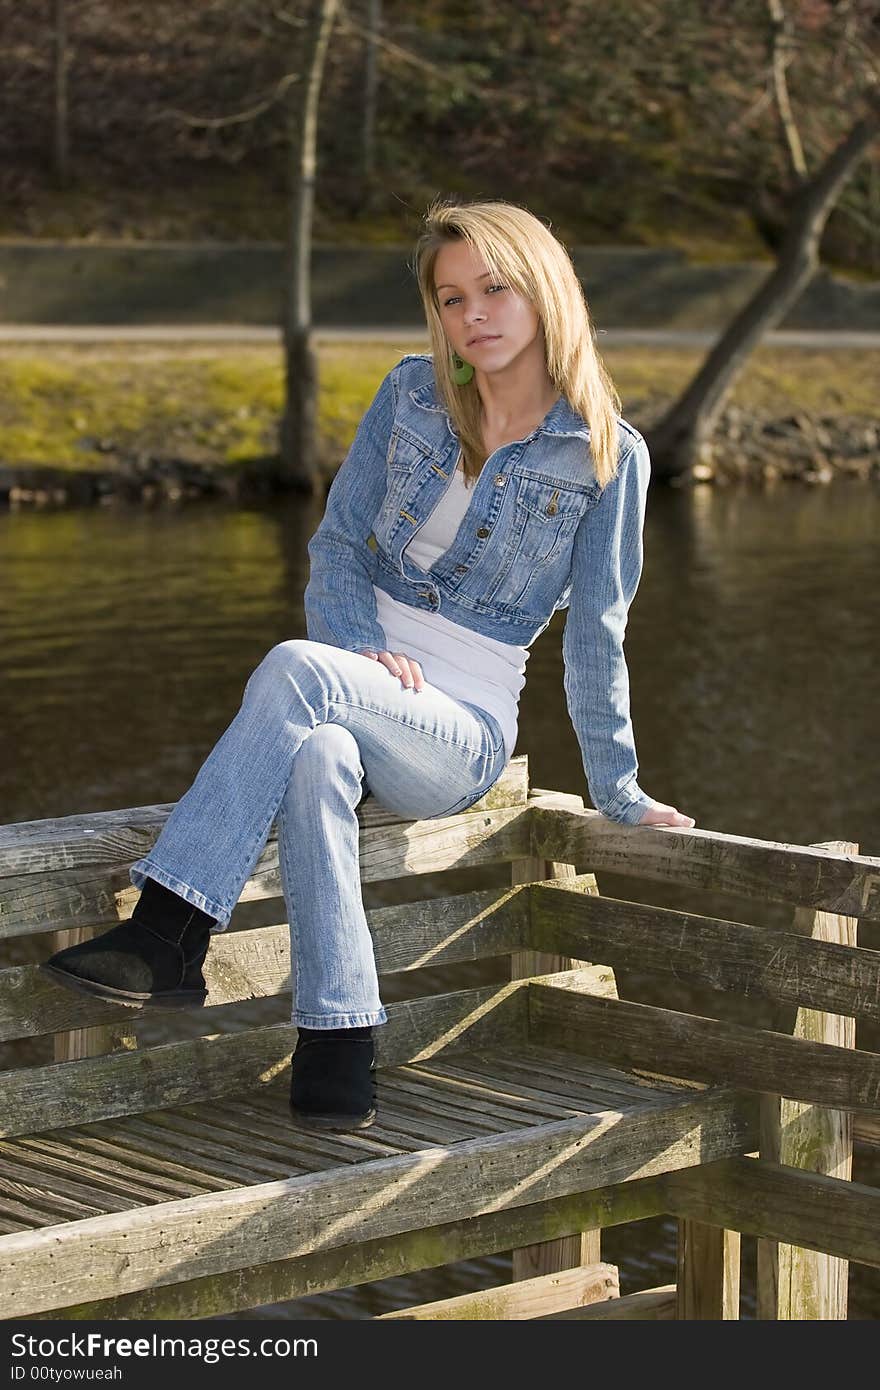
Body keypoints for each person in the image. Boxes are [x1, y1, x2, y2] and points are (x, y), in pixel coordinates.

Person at [41, 197, 695, 1134]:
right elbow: (340, 545)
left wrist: (620, 791)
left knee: (295, 668)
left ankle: (169, 931)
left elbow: (597, 636)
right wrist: (359, 650)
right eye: (452, 296)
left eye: (495, 288)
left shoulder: (604, 456)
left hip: (457, 731)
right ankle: (340, 1040)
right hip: (352, 675)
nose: (473, 314)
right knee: (313, 757)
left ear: (545, 289)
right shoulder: (411, 396)